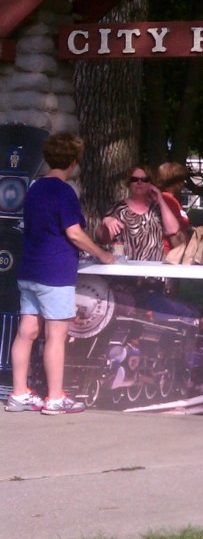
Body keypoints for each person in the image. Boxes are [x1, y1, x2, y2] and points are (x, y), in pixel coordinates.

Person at [7, 132, 117, 415]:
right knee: (56, 336)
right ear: (74, 161)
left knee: (26, 332)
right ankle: (55, 398)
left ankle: (19, 394)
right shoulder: (64, 191)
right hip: (55, 272)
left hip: (29, 269)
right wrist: (103, 254)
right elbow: (74, 233)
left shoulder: (34, 188)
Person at [96, 166, 181, 261]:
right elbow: (102, 240)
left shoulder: (157, 208)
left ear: (150, 184)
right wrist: (105, 222)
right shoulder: (118, 208)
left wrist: (160, 199)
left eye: (144, 179)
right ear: (129, 183)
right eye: (134, 179)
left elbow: (173, 229)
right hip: (125, 269)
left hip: (154, 269)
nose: (139, 182)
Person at [155, 161, 191, 253]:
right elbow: (173, 232)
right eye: (181, 180)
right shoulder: (168, 200)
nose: (183, 183)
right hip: (170, 253)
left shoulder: (169, 199)